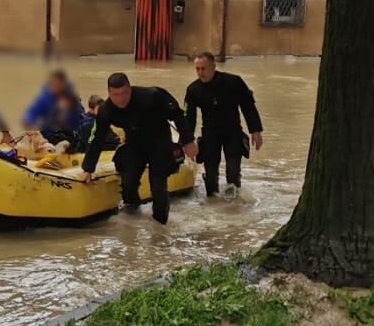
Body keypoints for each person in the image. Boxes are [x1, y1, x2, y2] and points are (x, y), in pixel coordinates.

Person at [78, 72, 192, 224]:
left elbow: (178, 115)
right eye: (115, 95)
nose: (121, 99)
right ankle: (133, 217)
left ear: (130, 89)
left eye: (124, 93)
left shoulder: (152, 96)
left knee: (158, 186)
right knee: (128, 182)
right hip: (135, 144)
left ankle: (160, 225)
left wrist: (188, 141)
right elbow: (96, 138)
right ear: (109, 93)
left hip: (159, 141)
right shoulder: (106, 109)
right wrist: (88, 168)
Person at [183, 52, 263, 200]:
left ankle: (233, 205)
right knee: (211, 175)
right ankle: (213, 205)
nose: (200, 72)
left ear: (214, 66)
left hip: (232, 132)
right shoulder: (193, 90)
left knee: (233, 173)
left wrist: (256, 131)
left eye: (203, 68)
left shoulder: (233, 82)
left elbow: (248, 107)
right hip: (210, 133)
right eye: (197, 69)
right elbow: (189, 118)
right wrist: (187, 141)